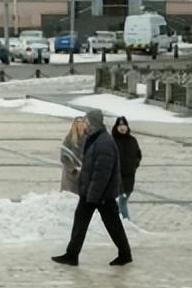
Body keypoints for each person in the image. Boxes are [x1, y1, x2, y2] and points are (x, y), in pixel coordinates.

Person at [52, 109, 132, 267]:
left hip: (100, 195)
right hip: (92, 192)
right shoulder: (95, 139)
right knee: (81, 221)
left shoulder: (104, 143)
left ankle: (125, 254)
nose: (86, 124)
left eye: (87, 121)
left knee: (113, 224)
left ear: (94, 123)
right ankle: (72, 254)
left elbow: (102, 173)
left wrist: (94, 195)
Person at [112, 116, 142, 221]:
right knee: (121, 201)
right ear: (116, 127)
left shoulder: (132, 140)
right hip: (116, 177)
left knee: (122, 200)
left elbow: (138, 155)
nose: (122, 127)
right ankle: (125, 221)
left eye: (124, 125)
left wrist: (134, 165)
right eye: (120, 125)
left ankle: (120, 220)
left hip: (129, 177)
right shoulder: (112, 140)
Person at [59, 116, 87, 194]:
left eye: (82, 122)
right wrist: (73, 168)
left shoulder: (89, 137)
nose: (80, 124)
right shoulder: (69, 138)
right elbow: (64, 156)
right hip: (71, 174)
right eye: (78, 122)